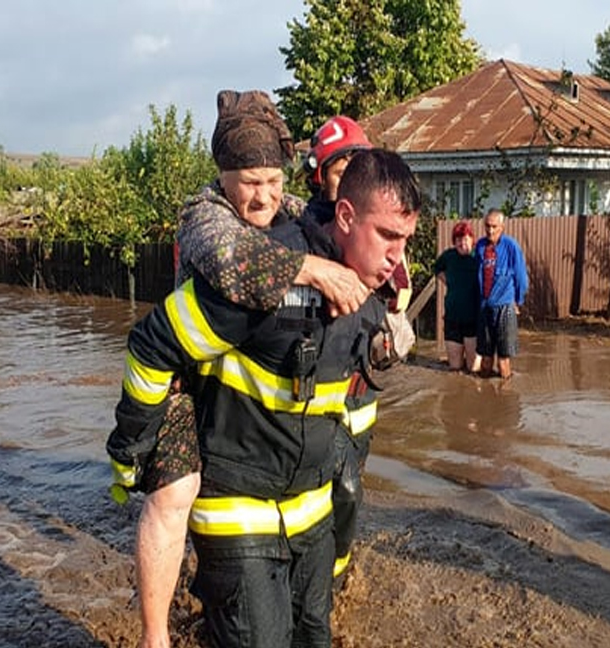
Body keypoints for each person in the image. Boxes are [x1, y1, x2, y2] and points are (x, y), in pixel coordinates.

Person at [108, 148, 422, 647]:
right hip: (239, 512)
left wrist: (379, 354)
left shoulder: (367, 283)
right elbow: (151, 345)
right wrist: (131, 451)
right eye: (387, 236)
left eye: (405, 240)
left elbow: (342, 397)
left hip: (311, 514)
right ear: (345, 215)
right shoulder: (264, 279)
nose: (397, 257)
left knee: (314, 637)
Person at [302, 115, 411, 581]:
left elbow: (400, 290)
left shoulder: (381, 238)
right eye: (337, 168)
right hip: (312, 389)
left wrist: (396, 330)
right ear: (319, 177)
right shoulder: (301, 232)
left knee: (347, 487)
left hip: (358, 390)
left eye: (354, 165)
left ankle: (334, 571)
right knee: (324, 488)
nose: (346, 176)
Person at [474, 208, 528, 380]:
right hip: (485, 307)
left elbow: (521, 277)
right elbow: (477, 274)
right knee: (485, 358)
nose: (490, 230)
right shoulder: (481, 246)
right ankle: (484, 395)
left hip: (505, 307)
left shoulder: (511, 247)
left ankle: (505, 397)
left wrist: (518, 301)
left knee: (503, 361)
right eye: (487, 226)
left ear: (502, 227)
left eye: (494, 227)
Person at [433, 220, 481, 372]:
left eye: (465, 238)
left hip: (473, 319)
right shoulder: (449, 256)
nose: (462, 243)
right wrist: (449, 282)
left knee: (473, 368)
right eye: (458, 239)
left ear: (472, 240)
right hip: (453, 318)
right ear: (454, 241)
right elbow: (436, 268)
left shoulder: (478, 256)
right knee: (455, 368)